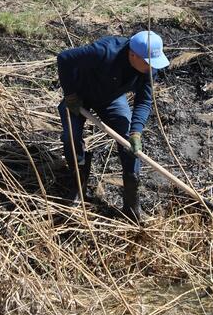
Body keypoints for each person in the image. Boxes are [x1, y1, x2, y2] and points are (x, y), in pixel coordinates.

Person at [56, 31, 170, 223]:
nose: (152, 67)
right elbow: (64, 58)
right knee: (70, 136)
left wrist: (136, 132)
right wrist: (70, 94)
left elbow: (144, 100)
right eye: (149, 62)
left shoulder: (148, 68)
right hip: (80, 96)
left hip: (111, 98)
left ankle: (132, 203)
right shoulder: (104, 51)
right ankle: (78, 186)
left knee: (128, 142)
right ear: (132, 55)